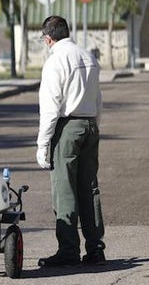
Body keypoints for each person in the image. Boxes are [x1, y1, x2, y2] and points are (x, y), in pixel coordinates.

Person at [35, 15, 105, 267]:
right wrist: (94, 127)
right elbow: (98, 100)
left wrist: (43, 146)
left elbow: (51, 108)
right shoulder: (88, 57)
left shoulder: (56, 61)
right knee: (89, 189)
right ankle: (95, 248)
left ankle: (68, 250)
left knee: (64, 190)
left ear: (48, 38)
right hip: (89, 125)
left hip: (68, 128)